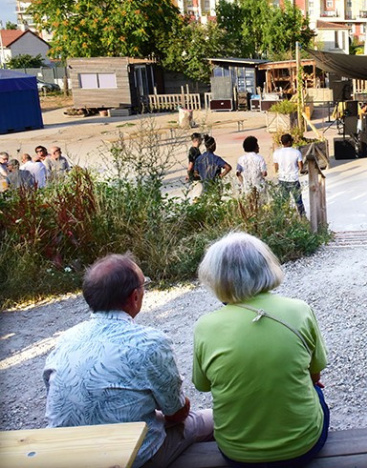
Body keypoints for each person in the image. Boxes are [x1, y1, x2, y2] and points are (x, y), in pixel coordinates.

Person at [43, 254, 214, 468]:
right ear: (135, 296)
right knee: (211, 419)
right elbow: (177, 413)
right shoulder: (150, 343)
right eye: (144, 285)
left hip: (67, 455)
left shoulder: (66, 339)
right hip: (131, 457)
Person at [194, 233, 328, 467]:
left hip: (236, 453)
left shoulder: (205, 327)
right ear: (266, 266)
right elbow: (315, 374)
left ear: (215, 277)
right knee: (317, 394)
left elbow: (203, 385)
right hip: (302, 447)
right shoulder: (300, 310)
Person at [273, 133, 305, 217]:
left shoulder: (276, 153)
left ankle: (285, 216)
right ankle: (302, 217)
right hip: (293, 178)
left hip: (282, 178)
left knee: (284, 200)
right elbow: (301, 166)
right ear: (289, 142)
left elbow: (276, 167)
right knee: (298, 200)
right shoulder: (296, 152)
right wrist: (300, 170)